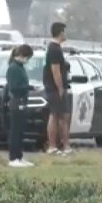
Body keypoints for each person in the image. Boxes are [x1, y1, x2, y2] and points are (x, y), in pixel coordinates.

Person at [43, 22, 72, 155]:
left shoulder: (56, 48)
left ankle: (63, 145)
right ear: (61, 33)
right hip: (55, 89)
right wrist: (60, 88)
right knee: (56, 116)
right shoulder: (54, 49)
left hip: (55, 88)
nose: (65, 34)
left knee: (62, 116)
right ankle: (54, 146)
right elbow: (55, 71)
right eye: (64, 32)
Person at [5, 44, 35, 168]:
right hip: (16, 101)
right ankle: (13, 158)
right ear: (23, 55)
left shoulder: (20, 67)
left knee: (21, 131)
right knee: (15, 131)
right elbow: (13, 87)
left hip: (22, 101)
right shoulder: (13, 68)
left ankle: (19, 156)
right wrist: (27, 87)